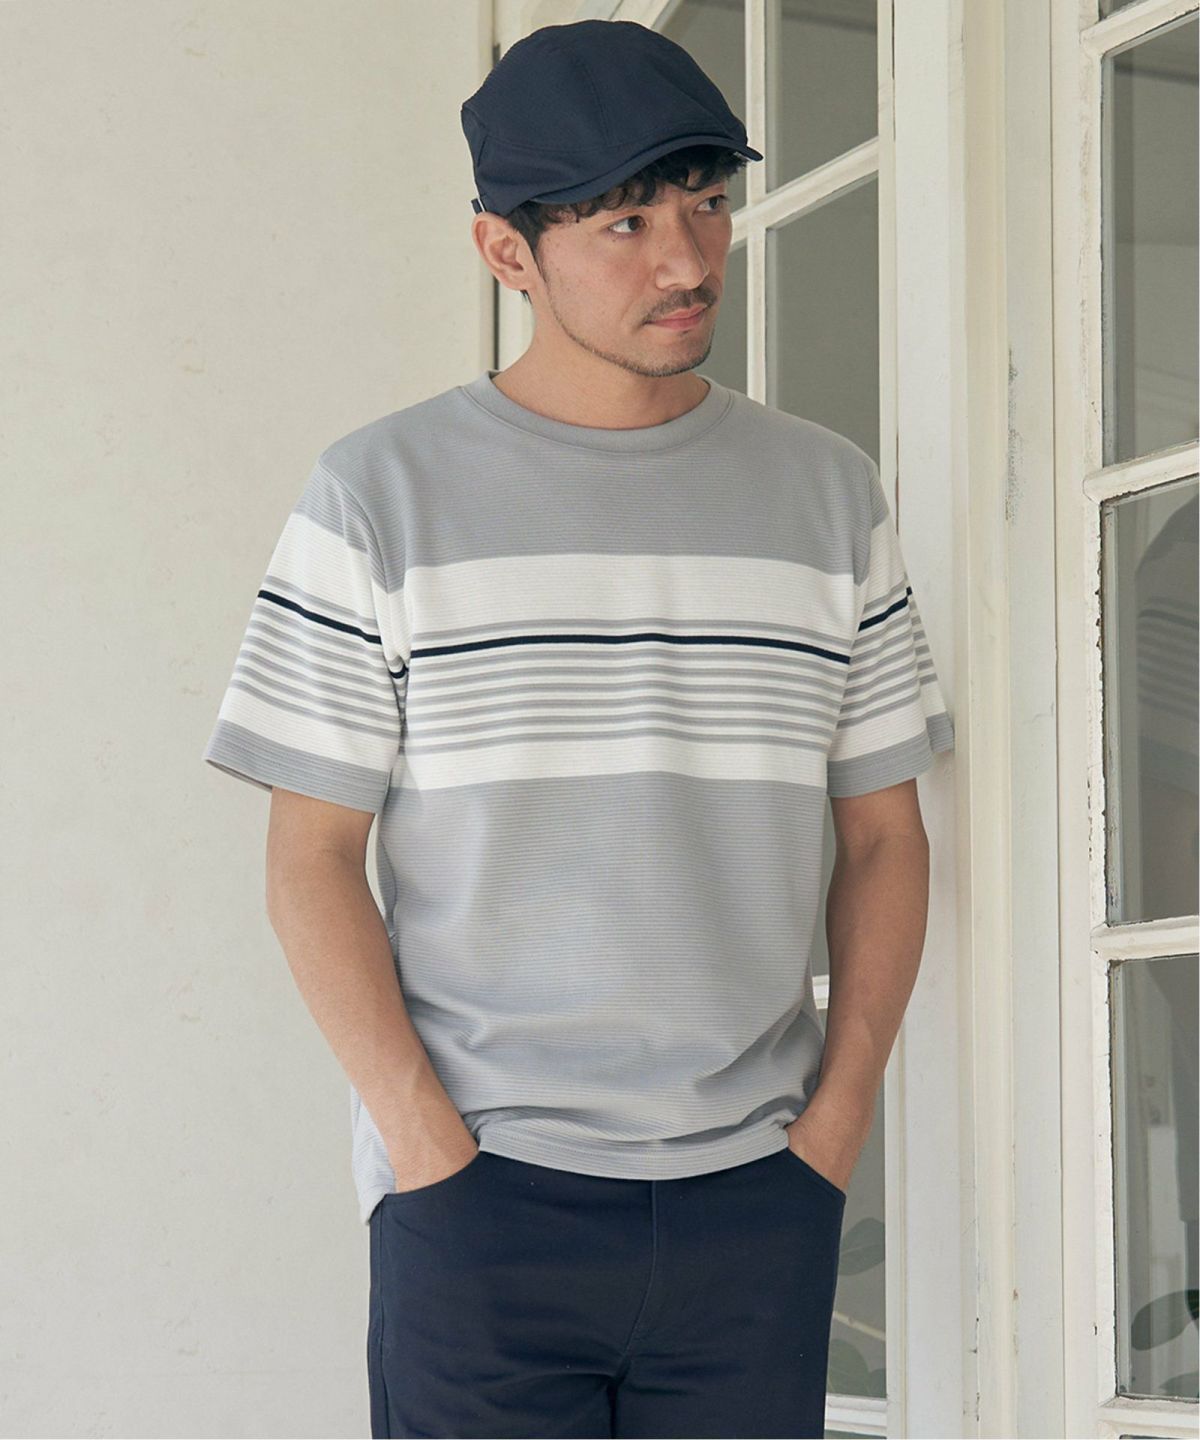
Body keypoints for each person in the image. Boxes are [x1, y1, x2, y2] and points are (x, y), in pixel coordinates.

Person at [202, 18, 955, 1439]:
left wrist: (835, 1127)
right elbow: (310, 857)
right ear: (507, 252)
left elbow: (883, 837)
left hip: (758, 1197)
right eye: (624, 224)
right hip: (481, 1198)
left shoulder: (828, 495)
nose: (686, 260)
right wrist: (425, 1144)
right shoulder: (377, 495)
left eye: (706, 204)